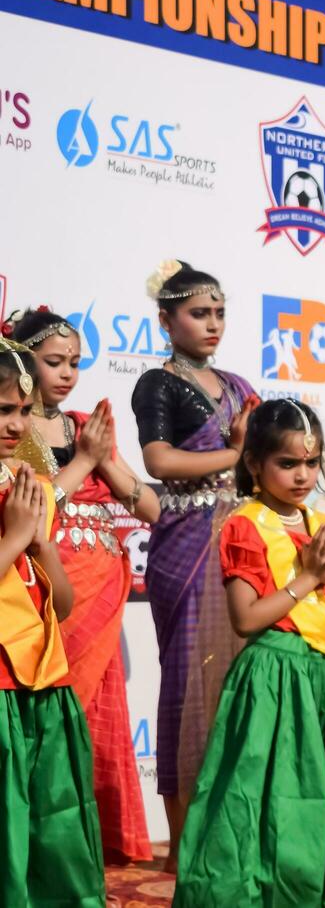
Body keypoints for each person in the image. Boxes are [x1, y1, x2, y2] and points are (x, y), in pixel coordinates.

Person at [174, 399, 325, 907]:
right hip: (272, 675)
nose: (301, 476)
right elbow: (245, 619)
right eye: (287, 463)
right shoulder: (244, 525)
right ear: (254, 464)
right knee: (265, 799)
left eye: (311, 464)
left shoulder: (324, 526)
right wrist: (308, 577)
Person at [7, 306, 159, 864]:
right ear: (24, 361)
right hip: (48, 572)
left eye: (74, 361)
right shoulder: (14, 430)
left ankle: (88, 847)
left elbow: (150, 506)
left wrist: (104, 459)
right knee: (52, 705)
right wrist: (86, 463)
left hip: (102, 579)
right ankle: (38, 844)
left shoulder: (81, 423)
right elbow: (34, 505)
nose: (68, 372)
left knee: (95, 712)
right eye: (54, 361)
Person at [131, 260, 258, 869]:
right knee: (187, 684)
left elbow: (260, 461)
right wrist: (234, 451)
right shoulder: (157, 384)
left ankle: (232, 832)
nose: (212, 325)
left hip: (238, 536)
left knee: (239, 680)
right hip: (184, 542)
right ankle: (184, 846)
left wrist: (250, 454)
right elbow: (158, 462)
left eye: (219, 313)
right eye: (198, 314)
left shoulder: (235, 384)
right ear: (166, 320)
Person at [0, 337, 105, 905]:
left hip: (41, 683)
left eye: (22, 410)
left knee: (50, 824)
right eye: (2, 411)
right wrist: (16, 537)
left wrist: (37, 544)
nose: (17, 426)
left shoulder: (30, 487)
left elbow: (60, 603)